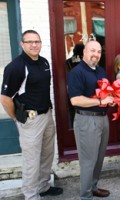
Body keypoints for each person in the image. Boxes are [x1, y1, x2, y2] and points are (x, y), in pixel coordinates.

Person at [0, 30, 63, 199]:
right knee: (31, 161)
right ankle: (31, 195)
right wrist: (16, 119)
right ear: (22, 44)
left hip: (47, 115)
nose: (34, 45)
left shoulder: (43, 62)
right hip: (30, 120)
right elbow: (5, 99)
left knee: (47, 154)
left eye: (37, 41)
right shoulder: (16, 67)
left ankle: (43, 186)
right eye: (29, 42)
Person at [67, 40, 114, 199]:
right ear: (84, 52)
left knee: (99, 158)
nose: (96, 54)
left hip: (102, 119)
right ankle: (85, 196)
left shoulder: (100, 71)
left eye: (99, 51)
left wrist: (111, 99)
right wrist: (100, 102)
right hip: (86, 120)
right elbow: (75, 100)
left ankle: (93, 187)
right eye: (92, 50)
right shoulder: (77, 72)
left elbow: (104, 92)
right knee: (88, 161)